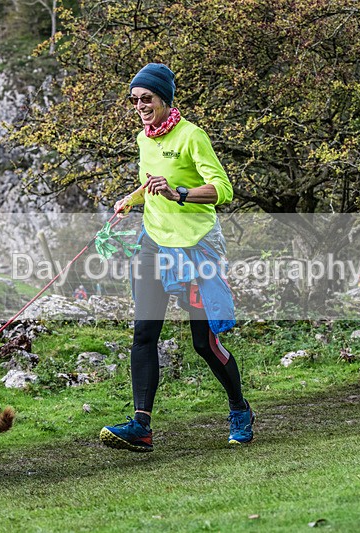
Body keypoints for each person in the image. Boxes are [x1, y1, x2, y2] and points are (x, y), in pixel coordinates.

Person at [99, 63, 253, 452]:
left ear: (164, 98)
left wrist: (179, 193)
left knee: (204, 342)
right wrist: (131, 200)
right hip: (153, 242)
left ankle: (239, 408)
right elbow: (151, 180)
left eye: (146, 99)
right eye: (134, 100)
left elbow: (223, 189)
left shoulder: (191, 136)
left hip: (195, 247)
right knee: (144, 334)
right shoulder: (143, 139)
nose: (140, 106)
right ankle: (141, 426)